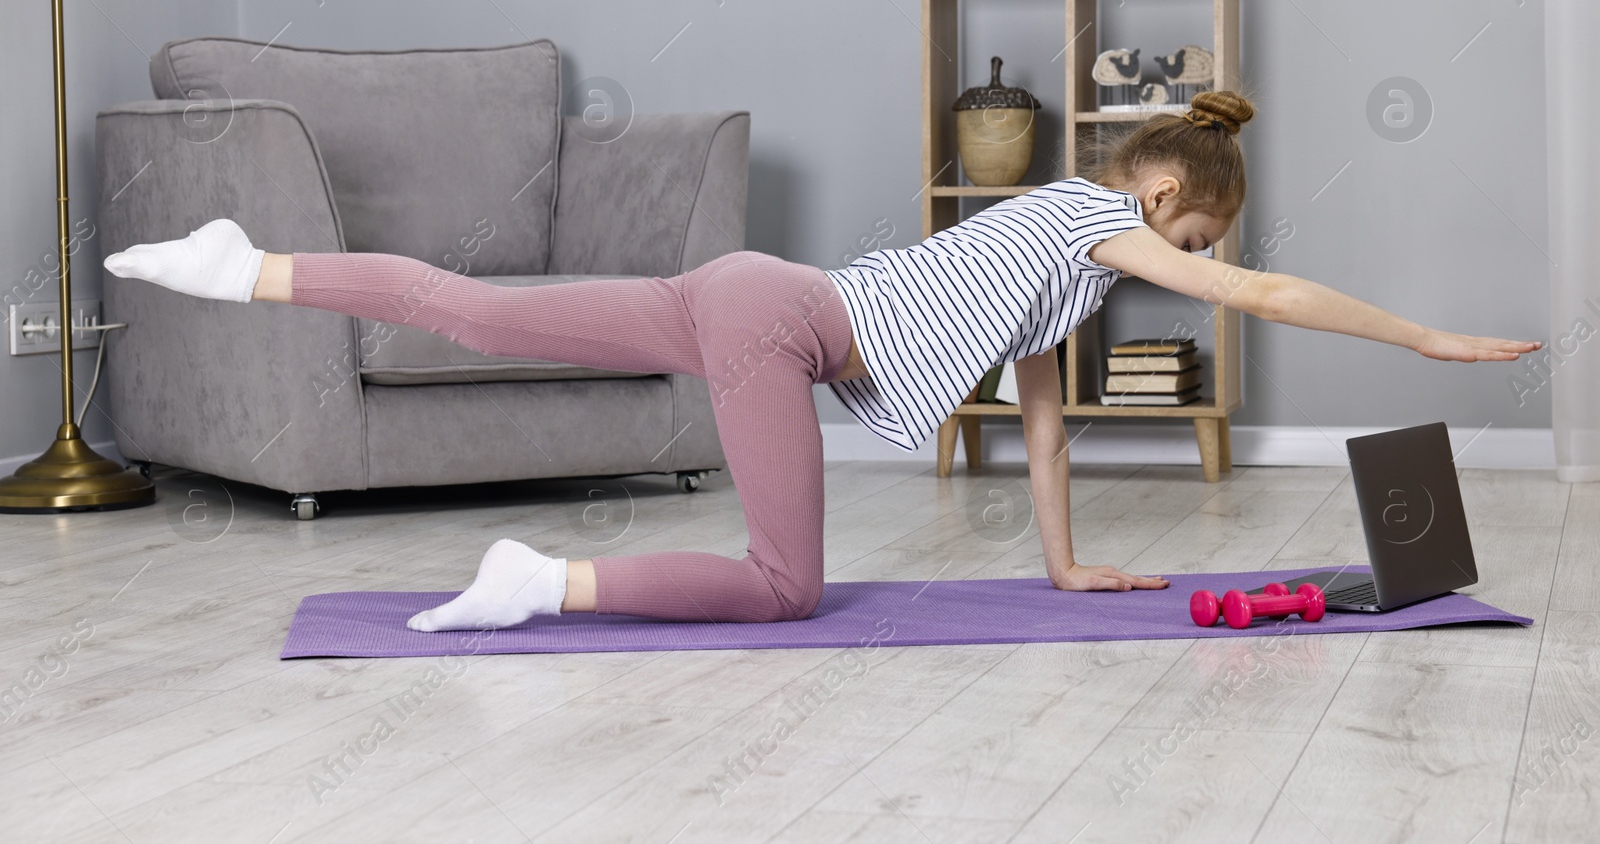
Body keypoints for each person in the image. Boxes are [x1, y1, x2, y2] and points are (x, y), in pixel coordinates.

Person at [103, 90, 1542, 632]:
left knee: (476, 310)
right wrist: (1427, 336)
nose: (1202, 267)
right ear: (1168, 201)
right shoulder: (1104, 218)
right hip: (781, 324)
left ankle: (250, 267)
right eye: (1202, 240)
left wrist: (1063, 569)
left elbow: (1042, 427)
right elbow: (1270, 291)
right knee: (787, 589)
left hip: (750, 297)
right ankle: (543, 581)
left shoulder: (1050, 259)